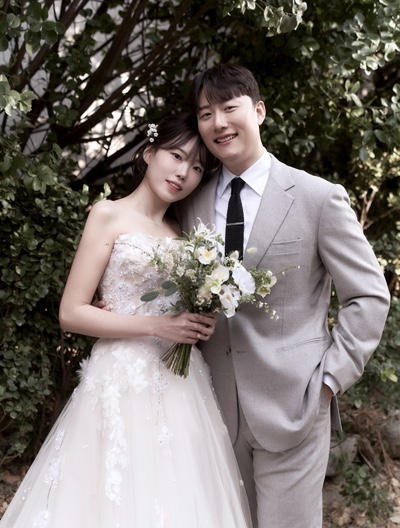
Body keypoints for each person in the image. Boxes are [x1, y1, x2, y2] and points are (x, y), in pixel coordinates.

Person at [0, 114, 252, 528]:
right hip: (120, 377)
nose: (183, 173)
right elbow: (71, 312)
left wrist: (197, 323)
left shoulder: (183, 235)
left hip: (181, 385)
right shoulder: (108, 215)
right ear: (148, 152)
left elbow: (180, 310)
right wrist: (156, 326)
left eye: (196, 168)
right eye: (176, 156)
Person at [175, 64, 391, 528]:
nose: (218, 123)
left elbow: (369, 296)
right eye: (206, 114)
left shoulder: (318, 198)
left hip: (295, 405)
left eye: (229, 108)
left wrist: (329, 382)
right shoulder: (191, 201)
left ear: (258, 111)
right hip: (211, 409)